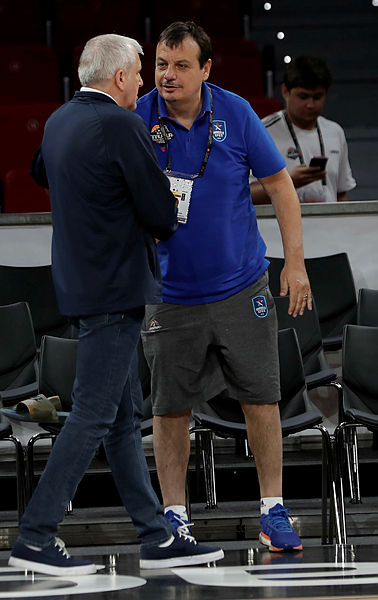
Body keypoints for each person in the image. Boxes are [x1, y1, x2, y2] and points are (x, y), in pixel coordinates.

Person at [8, 33, 224, 576]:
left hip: (82, 283)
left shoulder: (59, 121)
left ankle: (155, 535)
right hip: (116, 288)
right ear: (121, 77)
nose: (144, 84)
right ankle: (36, 535)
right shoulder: (121, 124)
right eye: (139, 74)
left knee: (123, 419)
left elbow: (40, 173)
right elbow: (160, 214)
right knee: (93, 414)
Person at [135, 21, 312, 553]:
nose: (168, 75)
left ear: (206, 69)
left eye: (181, 65)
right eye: (161, 65)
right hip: (168, 294)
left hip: (241, 286)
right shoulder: (137, 118)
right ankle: (174, 517)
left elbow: (280, 185)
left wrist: (295, 264)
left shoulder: (235, 112)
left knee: (261, 397)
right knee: (169, 408)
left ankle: (273, 511)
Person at [251, 55, 356, 204]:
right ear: (285, 91)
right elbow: (246, 193)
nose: (310, 104)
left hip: (328, 219)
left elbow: (341, 194)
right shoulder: (263, 131)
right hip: (281, 219)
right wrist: (288, 182)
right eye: (303, 96)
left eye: (317, 97)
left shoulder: (335, 131)